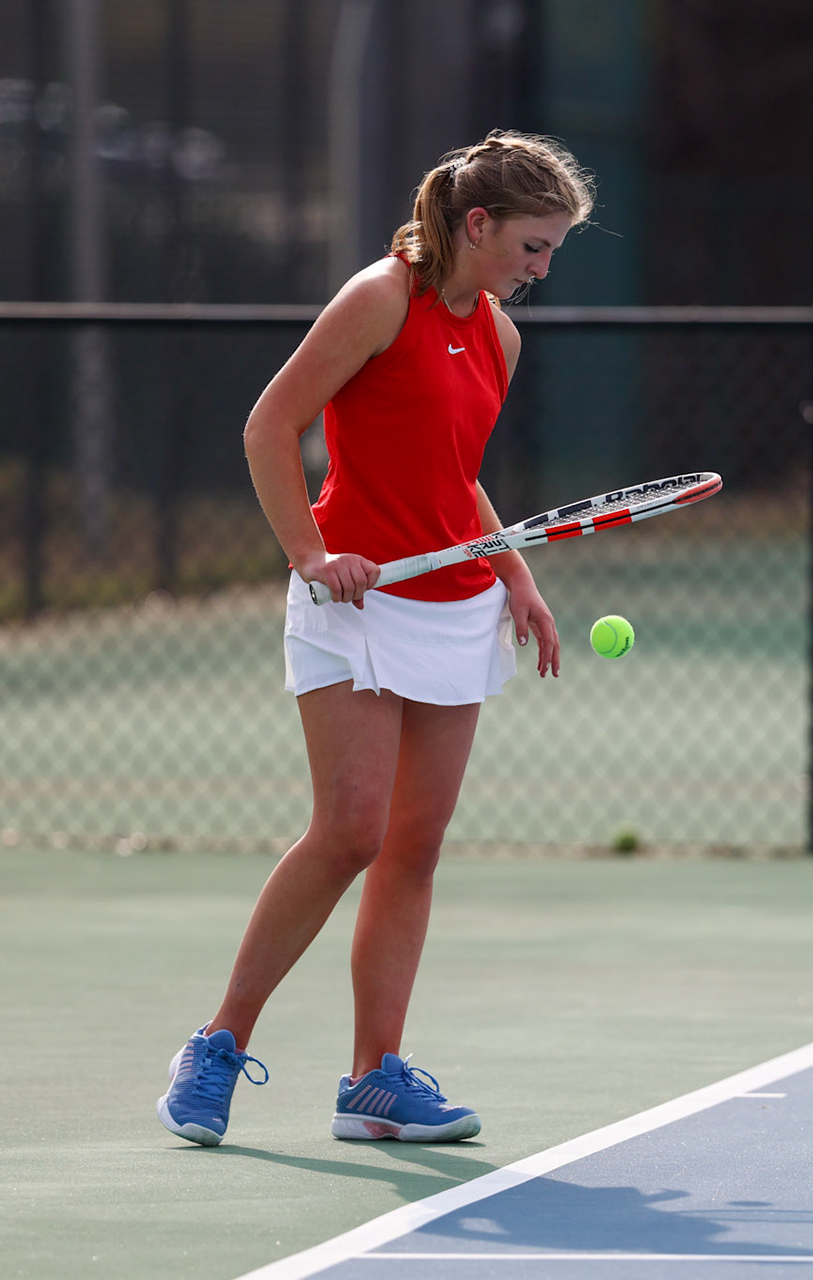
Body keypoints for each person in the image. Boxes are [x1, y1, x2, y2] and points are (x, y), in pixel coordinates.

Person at [156, 132, 593, 1146]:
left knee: (414, 843)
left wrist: (515, 575)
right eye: (534, 245)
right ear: (478, 224)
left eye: (555, 249)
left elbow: (451, 473)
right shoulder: (379, 299)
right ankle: (216, 1044)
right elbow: (272, 425)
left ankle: (375, 1079)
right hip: (352, 602)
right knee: (350, 827)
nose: (542, 268)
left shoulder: (498, 334)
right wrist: (310, 554)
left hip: (455, 603)